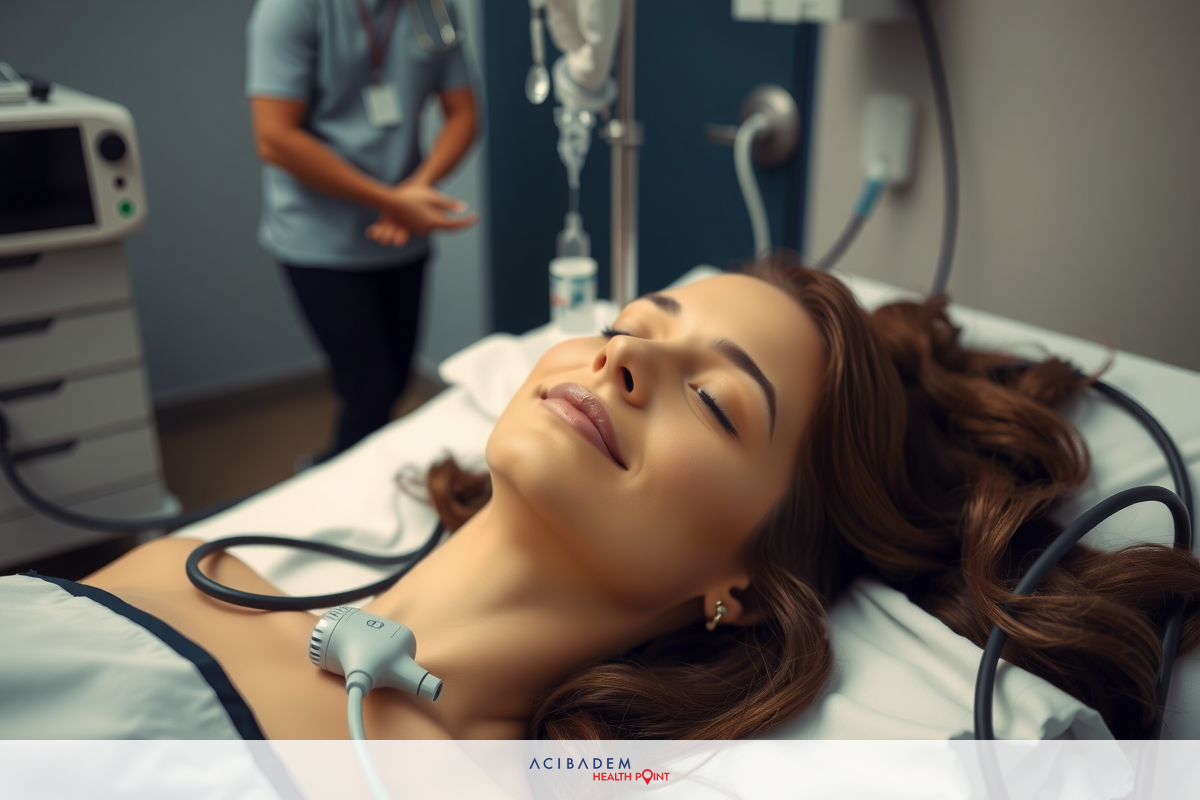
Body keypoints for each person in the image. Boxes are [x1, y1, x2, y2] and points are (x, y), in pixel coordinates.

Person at [6, 259, 1199, 739]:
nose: (619, 360)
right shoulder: (174, 571)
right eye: (633, 325)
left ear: (739, 577)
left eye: (720, 402)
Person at [247, 0, 479, 461]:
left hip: (402, 233)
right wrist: (392, 200)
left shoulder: (432, 8)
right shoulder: (290, 11)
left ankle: (342, 470)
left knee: (394, 381)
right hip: (318, 239)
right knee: (368, 390)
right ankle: (333, 481)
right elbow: (274, 137)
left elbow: (465, 114)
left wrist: (415, 190)